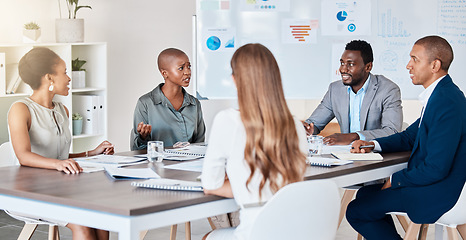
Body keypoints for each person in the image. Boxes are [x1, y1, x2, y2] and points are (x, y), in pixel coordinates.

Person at [346, 35, 466, 240]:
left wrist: (395, 180)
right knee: (365, 195)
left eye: (415, 59)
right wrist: (372, 145)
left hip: (440, 193)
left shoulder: (446, 102)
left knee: (356, 211)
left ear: (434, 65)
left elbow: (436, 168)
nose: (408, 65)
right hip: (437, 185)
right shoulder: (441, 95)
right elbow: (410, 137)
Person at [201, 43, 308, 240]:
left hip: (255, 232)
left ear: (235, 80)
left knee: (208, 237)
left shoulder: (227, 121)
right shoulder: (296, 125)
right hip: (296, 231)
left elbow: (210, 185)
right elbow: (288, 184)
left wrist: (245, 184)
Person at [7, 47, 114, 240]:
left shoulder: (62, 110)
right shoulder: (20, 109)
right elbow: (24, 156)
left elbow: (59, 158)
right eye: (64, 72)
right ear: (49, 78)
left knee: (101, 215)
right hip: (28, 192)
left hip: (59, 188)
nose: (69, 78)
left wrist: (92, 153)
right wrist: (58, 164)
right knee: (82, 223)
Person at [303, 40, 402, 145]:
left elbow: (392, 131)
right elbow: (313, 124)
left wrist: (353, 137)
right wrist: (306, 130)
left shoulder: (388, 90)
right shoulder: (335, 89)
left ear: (368, 67)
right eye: (342, 63)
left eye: (350, 64)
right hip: (344, 154)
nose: (343, 69)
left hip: (375, 154)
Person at [131, 48, 206, 150]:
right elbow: (137, 150)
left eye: (189, 66)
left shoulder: (194, 104)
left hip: (189, 165)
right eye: (181, 68)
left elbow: (200, 144)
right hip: (158, 164)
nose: (187, 72)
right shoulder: (145, 103)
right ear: (164, 73)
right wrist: (143, 137)